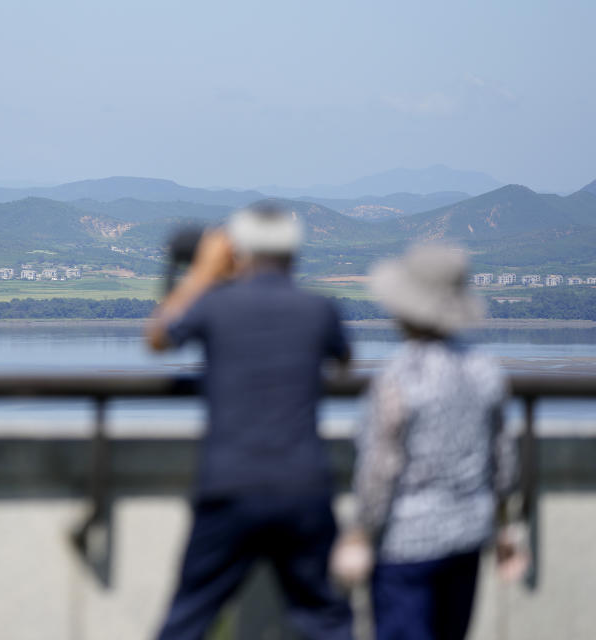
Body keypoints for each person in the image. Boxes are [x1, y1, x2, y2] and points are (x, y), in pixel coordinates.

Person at [147, 201, 354, 640]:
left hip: (230, 485)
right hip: (304, 487)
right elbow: (344, 361)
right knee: (325, 619)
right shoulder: (318, 308)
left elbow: (159, 337)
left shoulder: (217, 306)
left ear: (238, 251)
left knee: (189, 617)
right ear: (294, 254)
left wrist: (203, 272)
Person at [332, 244, 523, 640]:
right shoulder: (484, 370)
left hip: (406, 542)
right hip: (469, 535)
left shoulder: (399, 376)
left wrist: (358, 533)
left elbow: (380, 467)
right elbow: (504, 460)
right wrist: (506, 526)